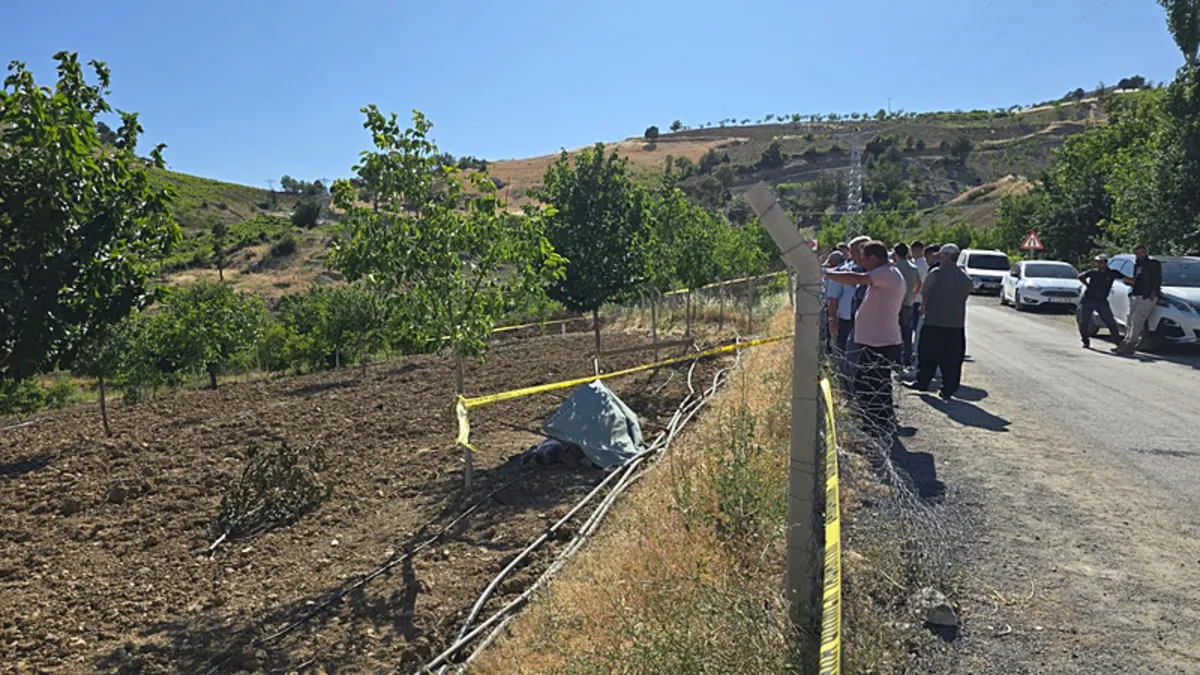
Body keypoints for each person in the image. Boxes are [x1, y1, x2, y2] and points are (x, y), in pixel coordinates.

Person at [824, 240, 906, 438]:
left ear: (873, 258)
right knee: (876, 384)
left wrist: (827, 273)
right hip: (877, 339)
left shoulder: (885, 273)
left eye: (864, 259)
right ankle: (880, 422)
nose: (862, 263)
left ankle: (875, 425)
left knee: (870, 384)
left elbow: (857, 279)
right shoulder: (890, 272)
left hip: (878, 341)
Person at [908, 244, 973, 401]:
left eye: (941, 255)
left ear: (946, 256)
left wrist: (923, 308)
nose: (939, 258)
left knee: (927, 354)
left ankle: (923, 382)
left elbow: (925, 292)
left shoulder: (936, 273)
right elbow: (966, 292)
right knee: (952, 359)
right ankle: (948, 389)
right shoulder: (964, 276)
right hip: (956, 324)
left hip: (934, 321)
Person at [1114, 244, 1163, 355]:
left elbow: (1157, 280)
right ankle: (1125, 343)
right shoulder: (1137, 264)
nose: (1139, 255)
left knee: (1137, 320)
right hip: (1136, 295)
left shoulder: (1153, 264)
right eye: (1136, 253)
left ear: (1146, 252)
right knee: (1130, 319)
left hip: (1147, 296)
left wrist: (1153, 294)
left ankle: (1131, 344)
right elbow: (1137, 280)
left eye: (1141, 252)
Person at [1077, 254, 1122, 349]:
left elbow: (1126, 279)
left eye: (1100, 262)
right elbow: (1080, 276)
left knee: (1111, 322)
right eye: (1096, 262)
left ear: (1105, 263)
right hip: (1088, 300)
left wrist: (1136, 282)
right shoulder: (1093, 272)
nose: (1098, 264)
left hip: (1102, 301)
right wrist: (1087, 284)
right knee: (1083, 322)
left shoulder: (1112, 273)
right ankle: (1085, 341)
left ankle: (1119, 343)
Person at [892, 243, 920, 367]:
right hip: (908, 301)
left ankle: (895, 358)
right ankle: (907, 357)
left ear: (896, 254)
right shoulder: (913, 268)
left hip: (893, 303)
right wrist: (913, 294)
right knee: (907, 332)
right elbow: (919, 283)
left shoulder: (894, 267)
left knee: (893, 331)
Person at [823, 251, 849, 353]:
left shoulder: (837, 274)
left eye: (830, 262)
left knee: (839, 345)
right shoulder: (847, 271)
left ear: (833, 262)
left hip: (841, 318)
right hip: (845, 317)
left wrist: (832, 319)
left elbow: (832, 299)